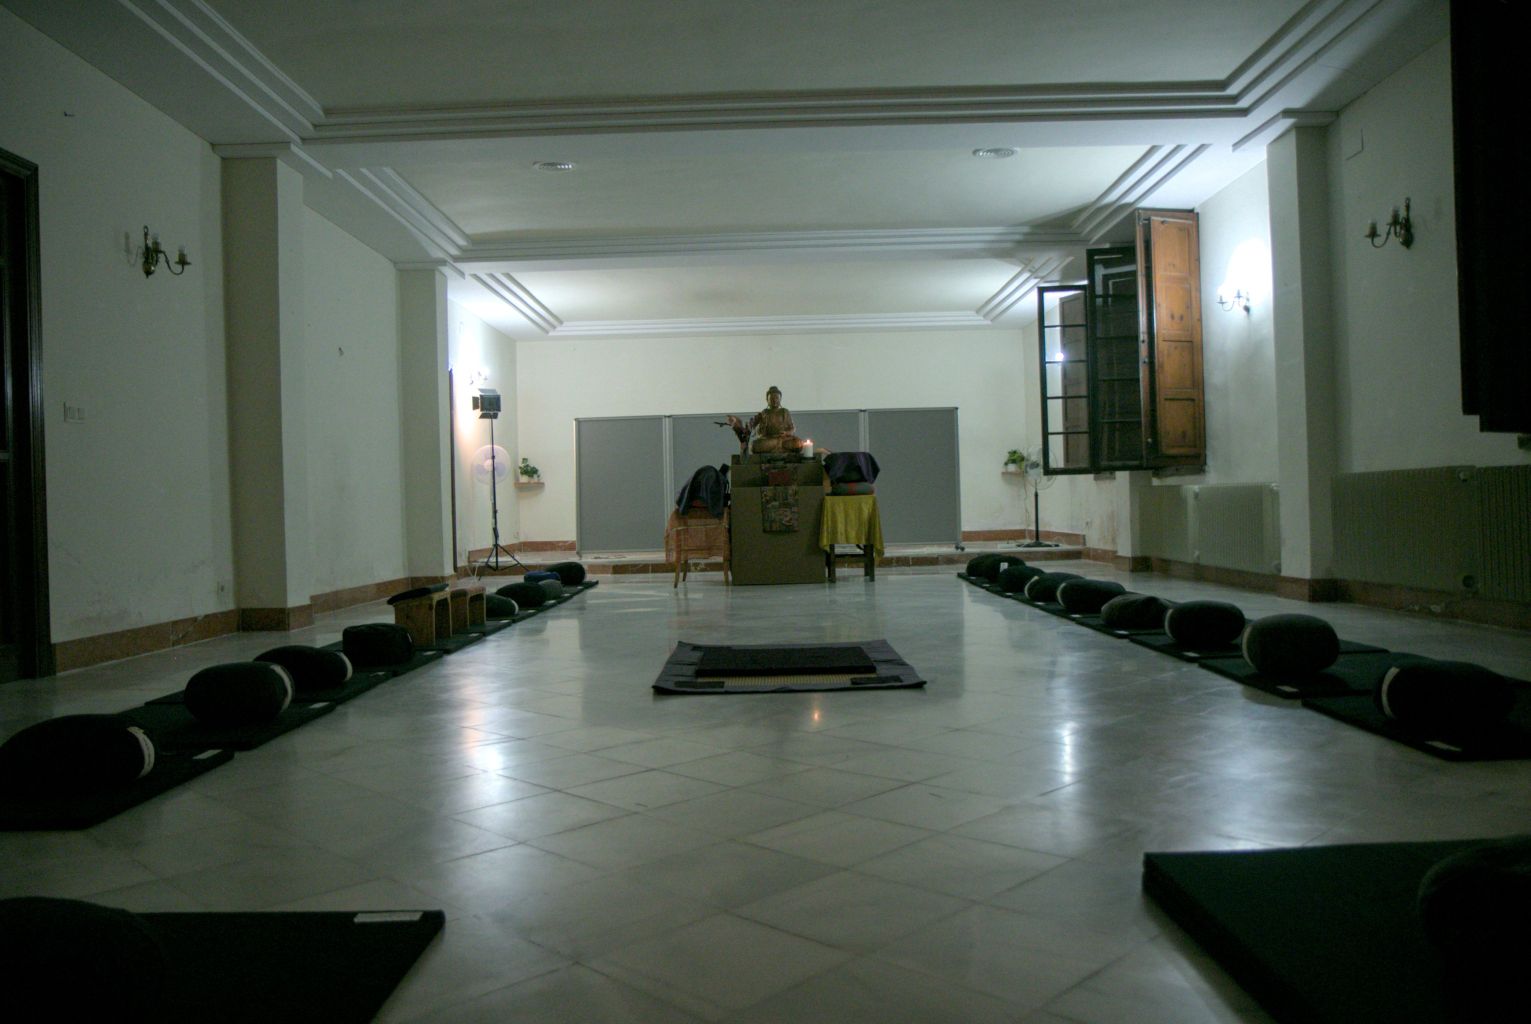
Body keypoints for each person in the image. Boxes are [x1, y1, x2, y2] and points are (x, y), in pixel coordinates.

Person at [725, 385, 804, 454]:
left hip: (783, 439)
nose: (774, 400)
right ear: (767, 400)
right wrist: (737, 424)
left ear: (780, 399)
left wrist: (786, 433)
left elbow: (792, 428)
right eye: (772, 398)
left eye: (776, 398)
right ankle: (780, 448)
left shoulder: (785, 412)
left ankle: (779, 447)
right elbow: (751, 426)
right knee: (754, 445)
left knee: (798, 443)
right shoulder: (764, 413)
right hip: (769, 440)